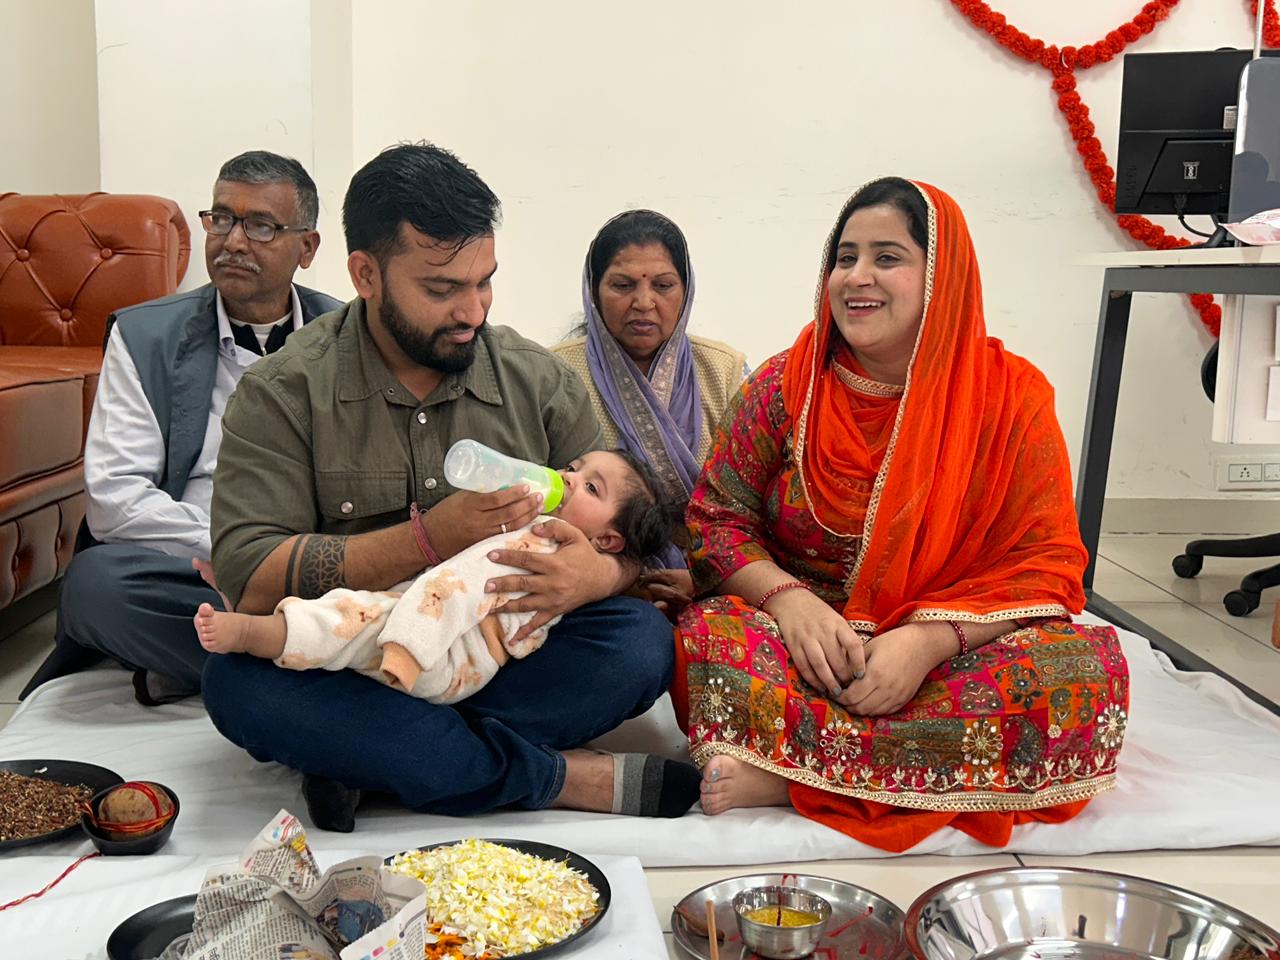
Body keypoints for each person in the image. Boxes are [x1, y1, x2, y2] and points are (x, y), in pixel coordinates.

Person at [202, 143, 700, 832]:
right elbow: (251, 579)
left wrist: (601, 575)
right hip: (352, 661)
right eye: (442, 289)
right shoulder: (284, 393)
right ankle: (555, 778)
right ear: (365, 273)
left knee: (640, 642)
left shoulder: (536, 382)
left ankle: (370, 757)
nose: (473, 310)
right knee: (236, 684)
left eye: (484, 282)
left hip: (496, 657)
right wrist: (427, 539)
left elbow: (624, 528)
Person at [672, 178, 1130, 852]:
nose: (858, 277)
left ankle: (797, 778)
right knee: (708, 634)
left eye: (888, 257)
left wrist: (926, 642)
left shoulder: (1011, 399)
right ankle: (873, 771)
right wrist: (791, 603)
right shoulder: (784, 385)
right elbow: (715, 520)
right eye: (845, 256)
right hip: (807, 645)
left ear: (942, 276)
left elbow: (1047, 565)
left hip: (951, 641)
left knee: (1083, 672)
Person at [24, 151, 341, 704]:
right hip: (195, 563)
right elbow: (115, 500)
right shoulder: (146, 335)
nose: (234, 241)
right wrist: (235, 553)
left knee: (388, 584)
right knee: (96, 587)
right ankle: (310, 666)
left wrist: (297, 564)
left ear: (306, 248)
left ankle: (218, 666)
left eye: (261, 225)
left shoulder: (344, 336)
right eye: (222, 218)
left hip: (311, 566)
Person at [195, 449, 679, 705]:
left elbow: (458, 590)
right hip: (438, 635)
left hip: (440, 655)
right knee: (238, 686)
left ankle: (258, 631)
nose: (569, 478)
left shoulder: (539, 541)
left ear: (609, 541)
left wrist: (604, 576)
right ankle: (504, 764)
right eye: (573, 468)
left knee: (353, 619)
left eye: (589, 486)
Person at [551, 209, 746, 610]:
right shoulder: (553, 372)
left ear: (686, 289)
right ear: (593, 289)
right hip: (590, 586)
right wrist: (625, 577)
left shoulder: (726, 370)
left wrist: (704, 577)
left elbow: (753, 499)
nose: (643, 302)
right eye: (622, 285)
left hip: (721, 576)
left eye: (663, 285)